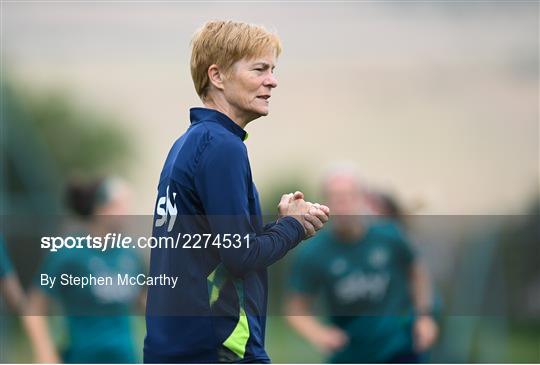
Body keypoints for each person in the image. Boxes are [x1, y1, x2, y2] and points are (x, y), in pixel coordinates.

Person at [144, 20, 330, 363]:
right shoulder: (222, 146)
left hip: (173, 347)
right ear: (217, 76)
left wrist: (282, 224)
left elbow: (224, 246)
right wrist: (294, 227)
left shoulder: (188, 144)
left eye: (272, 69)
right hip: (218, 347)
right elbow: (240, 255)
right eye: (260, 69)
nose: (272, 80)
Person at [286, 168, 438, 363]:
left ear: (363, 200)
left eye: (348, 196)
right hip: (350, 353)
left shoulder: (390, 236)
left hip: (399, 348)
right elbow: (296, 309)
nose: (343, 204)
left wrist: (424, 316)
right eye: (335, 198)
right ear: (323, 203)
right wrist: (319, 334)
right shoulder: (313, 252)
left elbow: (416, 271)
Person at [26, 177, 145, 363]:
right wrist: (45, 354)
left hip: (125, 359)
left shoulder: (130, 255)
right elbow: (34, 307)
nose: (128, 212)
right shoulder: (68, 253)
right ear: (101, 208)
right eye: (120, 205)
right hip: (82, 358)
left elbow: (144, 303)